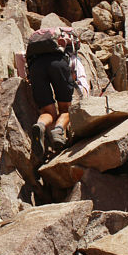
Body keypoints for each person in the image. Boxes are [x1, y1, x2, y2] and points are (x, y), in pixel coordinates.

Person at [26, 30, 89, 163]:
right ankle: (58, 130)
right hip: (58, 64)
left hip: (35, 67)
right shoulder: (70, 53)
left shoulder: (36, 52)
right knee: (66, 109)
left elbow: (21, 57)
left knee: (47, 111)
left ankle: (41, 125)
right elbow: (78, 73)